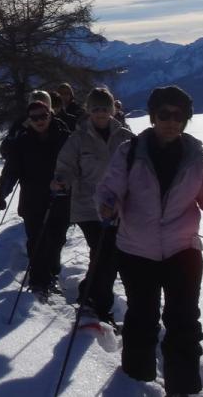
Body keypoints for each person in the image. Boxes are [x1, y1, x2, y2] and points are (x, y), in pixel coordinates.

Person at [96, 85, 203, 396]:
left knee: (183, 322)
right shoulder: (129, 153)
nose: (171, 121)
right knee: (142, 317)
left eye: (179, 116)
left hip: (183, 252)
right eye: (164, 114)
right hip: (136, 252)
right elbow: (108, 188)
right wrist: (107, 204)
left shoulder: (196, 157)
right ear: (153, 117)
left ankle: (184, 388)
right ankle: (134, 381)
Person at [52, 87, 134, 325]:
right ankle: (99, 305)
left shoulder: (124, 136)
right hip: (87, 205)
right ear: (88, 110)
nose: (100, 113)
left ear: (113, 110)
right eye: (96, 108)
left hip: (116, 207)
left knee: (106, 255)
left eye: (105, 108)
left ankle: (89, 292)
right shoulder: (78, 138)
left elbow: (139, 165)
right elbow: (66, 165)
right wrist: (61, 180)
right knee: (105, 254)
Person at [0, 100, 72, 299]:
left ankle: (51, 274)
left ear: (50, 114)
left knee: (56, 240)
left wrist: (67, 181)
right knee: (36, 240)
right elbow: (11, 171)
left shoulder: (65, 138)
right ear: (29, 120)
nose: (39, 121)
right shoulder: (22, 142)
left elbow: (76, 166)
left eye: (43, 116)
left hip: (61, 199)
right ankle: (38, 280)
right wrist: (1, 194)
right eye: (34, 117)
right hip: (32, 200)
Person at [0, 90, 52, 161]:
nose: (39, 120)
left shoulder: (58, 125)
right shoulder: (21, 124)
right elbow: (5, 150)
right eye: (35, 105)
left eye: (43, 115)